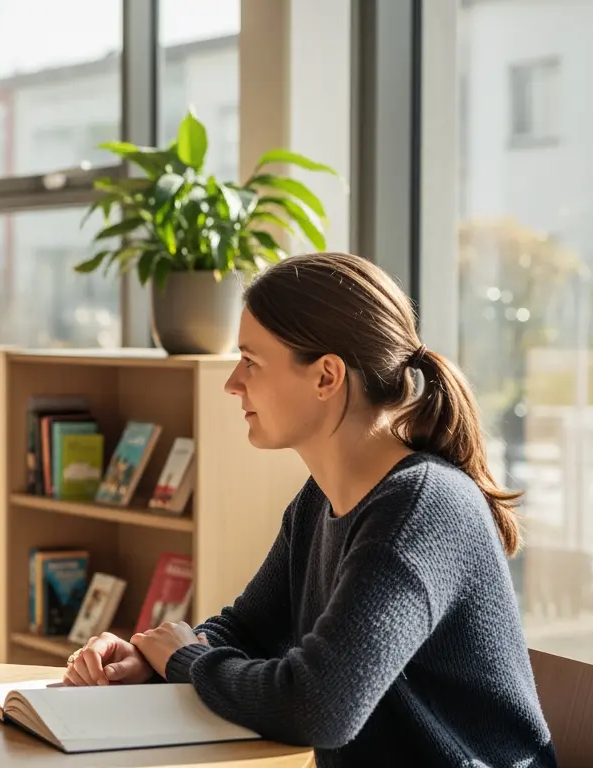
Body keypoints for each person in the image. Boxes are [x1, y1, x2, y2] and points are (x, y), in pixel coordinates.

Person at [62, 252, 556, 767]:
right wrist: (151, 659)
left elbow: (318, 706)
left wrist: (187, 660)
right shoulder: (321, 498)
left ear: (326, 377)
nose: (232, 383)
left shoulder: (422, 508)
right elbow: (248, 631)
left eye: (251, 361)